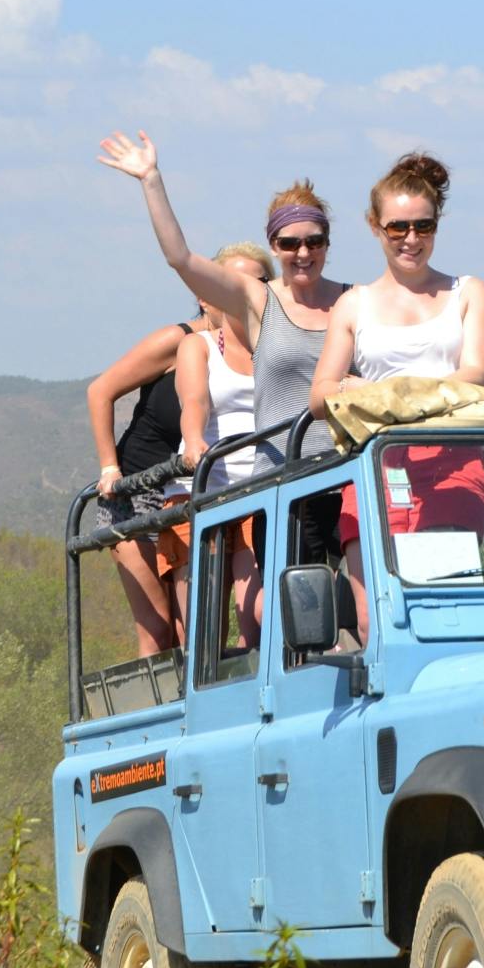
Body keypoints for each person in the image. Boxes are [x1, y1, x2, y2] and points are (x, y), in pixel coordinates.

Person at [307, 152, 484, 639]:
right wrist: (352, 389)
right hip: (375, 468)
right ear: (375, 227)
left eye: (423, 226)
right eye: (398, 228)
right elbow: (321, 394)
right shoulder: (354, 304)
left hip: (450, 466)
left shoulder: (468, 292)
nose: (411, 239)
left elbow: (475, 373)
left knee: (439, 611)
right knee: (373, 619)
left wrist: (385, 395)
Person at [97, 132, 348, 460]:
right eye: (290, 244)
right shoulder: (259, 300)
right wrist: (151, 181)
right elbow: (181, 259)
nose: (303, 252)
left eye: (314, 242)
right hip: (282, 480)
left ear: (327, 243)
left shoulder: (353, 302)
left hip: (348, 474)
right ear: (274, 246)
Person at [157, 244, 270, 648]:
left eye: (256, 282)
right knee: (205, 637)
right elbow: (194, 403)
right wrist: (194, 440)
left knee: (259, 620)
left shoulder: (275, 348)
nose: (242, 291)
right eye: (231, 282)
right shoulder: (200, 345)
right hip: (204, 490)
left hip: (260, 494)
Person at [85, 317, 196, 656]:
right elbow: (99, 391)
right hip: (135, 493)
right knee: (157, 629)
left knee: (188, 630)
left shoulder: (246, 348)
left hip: (186, 493)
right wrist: (110, 468)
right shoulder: (177, 340)